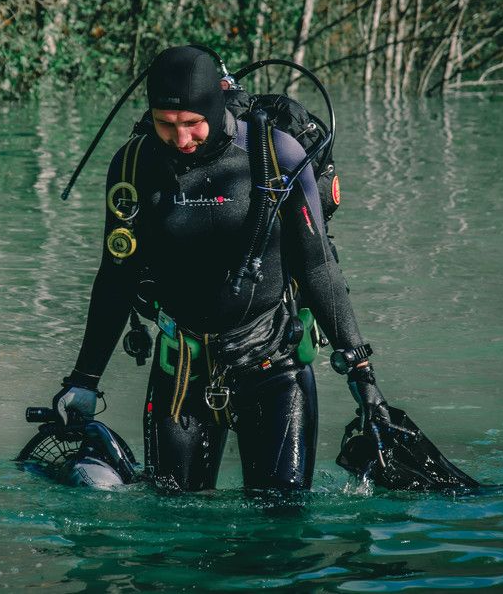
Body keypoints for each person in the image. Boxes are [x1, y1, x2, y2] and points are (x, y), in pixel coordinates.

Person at [50, 45, 391, 492]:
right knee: (174, 526)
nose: (181, 138)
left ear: (213, 107)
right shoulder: (134, 165)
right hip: (181, 374)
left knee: (279, 525)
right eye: (165, 125)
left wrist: (361, 373)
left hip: (274, 366)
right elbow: (117, 275)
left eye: (193, 123)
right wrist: (84, 380)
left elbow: (317, 267)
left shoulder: (276, 154)